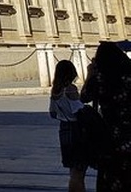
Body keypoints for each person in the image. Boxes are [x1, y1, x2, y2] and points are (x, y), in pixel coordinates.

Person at [81, 41, 131, 191]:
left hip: (110, 136)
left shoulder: (100, 79)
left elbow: (84, 97)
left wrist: (90, 74)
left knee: (112, 175)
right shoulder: (128, 75)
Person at [49, 60, 87, 192]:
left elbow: (52, 113)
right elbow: (78, 110)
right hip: (76, 130)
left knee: (73, 170)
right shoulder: (71, 89)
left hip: (63, 129)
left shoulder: (55, 91)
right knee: (79, 172)